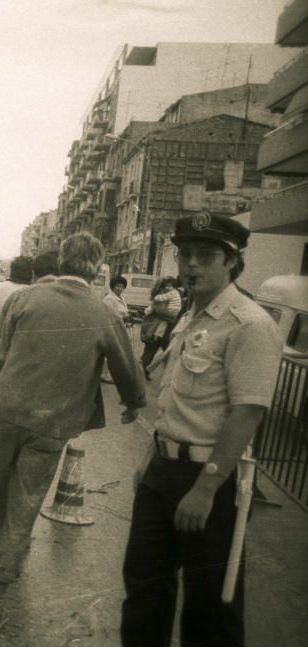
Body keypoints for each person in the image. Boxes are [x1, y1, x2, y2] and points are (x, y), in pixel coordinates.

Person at [0, 232, 146, 633]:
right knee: (25, 507)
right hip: (51, 426)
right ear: (99, 268)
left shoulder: (23, 299)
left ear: (62, 260)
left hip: (5, 415)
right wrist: (135, 403)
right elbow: (127, 371)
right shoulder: (104, 313)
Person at [121, 214, 282, 647]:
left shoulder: (249, 323)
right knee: (143, 586)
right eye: (185, 254)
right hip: (162, 471)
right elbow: (175, 400)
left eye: (206, 255)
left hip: (210, 477)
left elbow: (246, 413)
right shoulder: (192, 314)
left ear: (232, 262)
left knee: (210, 607)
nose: (192, 264)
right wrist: (149, 459)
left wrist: (206, 489)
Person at [139, 276, 183, 380]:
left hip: (158, 329)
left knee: (153, 352)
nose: (167, 288)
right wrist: (172, 317)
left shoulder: (164, 296)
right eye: (165, 286)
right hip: (159, 330)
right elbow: (162, 312)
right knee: (165, 352)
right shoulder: (163, 296)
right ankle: (145, 373)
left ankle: (145, 372)